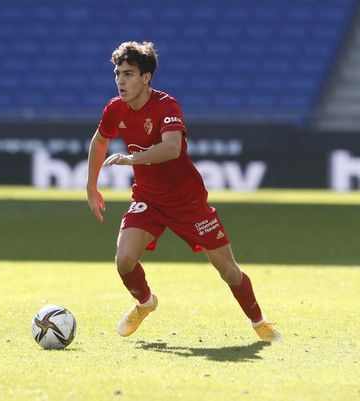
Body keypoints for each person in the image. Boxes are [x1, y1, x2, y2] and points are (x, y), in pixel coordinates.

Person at [86, 41, 281, 342]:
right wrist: (91, 186)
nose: (120, 81)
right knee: (124, 259)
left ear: (146, 77)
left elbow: (172, 148)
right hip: (148, 198)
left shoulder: (166, 106)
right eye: (117, 74)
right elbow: (100, 141)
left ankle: (260, 322)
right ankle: (145, 302)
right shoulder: (115, 108)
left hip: (187, 202)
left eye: (128, 74)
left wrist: (132, 158)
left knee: (228, 271)